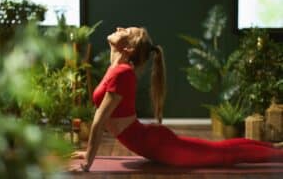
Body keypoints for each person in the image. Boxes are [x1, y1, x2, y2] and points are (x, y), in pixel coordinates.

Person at [70, 26, 283, 172]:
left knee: (225, 154)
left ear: (128, 48)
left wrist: (89, 160)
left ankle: (278, 153)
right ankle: (276, 150)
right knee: (223, 150)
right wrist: (89, 151)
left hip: (159, 146)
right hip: (152, 141)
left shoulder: (122, 73)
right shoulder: (117, 69)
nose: (118, 28)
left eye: (125, 30)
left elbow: (99, 121)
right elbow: (103, 121)